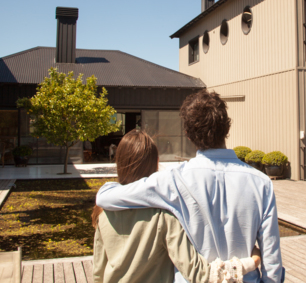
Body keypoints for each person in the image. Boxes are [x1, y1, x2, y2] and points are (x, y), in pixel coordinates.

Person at [97, 90, 283, 283]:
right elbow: (272, 265)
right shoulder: (261, 183)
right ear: (227, 127)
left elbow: (105, 197)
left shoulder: (174, 180)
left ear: (187, 134)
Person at [92, 129, 261, 283]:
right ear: (156, 162)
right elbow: (200, 274)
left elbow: (98, 274)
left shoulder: (102, 213)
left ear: (118, 163)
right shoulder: (162, 216)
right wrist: (251, 262)